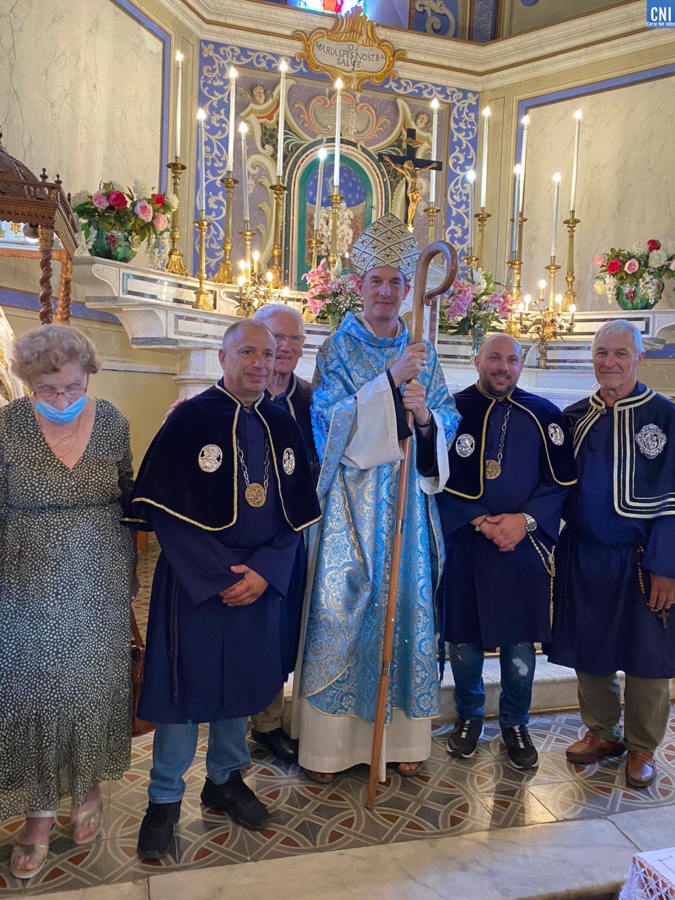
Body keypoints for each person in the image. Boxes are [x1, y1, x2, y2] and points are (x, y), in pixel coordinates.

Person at [125, 320, 320, 859]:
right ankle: (164, 799)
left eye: (269, 353)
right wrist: (218, 577)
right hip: (195, 585)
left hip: (260, 581)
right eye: (248, 352)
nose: (260, 362)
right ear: (223, 356)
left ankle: (226, 781)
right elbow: (167, 514)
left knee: (241, 689)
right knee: (183, 694)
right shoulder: (189, 419)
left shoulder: (283, 423)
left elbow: (295, 515)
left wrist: (266, 570)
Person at [295, 213, 460, 784]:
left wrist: (426, 417)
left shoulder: (425, 351)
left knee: (406, 611)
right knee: (343, 608)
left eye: (396, 282)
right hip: (349, 506)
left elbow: (446, 419)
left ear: (407, 290)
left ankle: (401, 740)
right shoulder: (336, 350)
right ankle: (330, 746)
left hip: (407, 508)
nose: (387, 292)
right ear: (359, 287)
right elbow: (330, 425)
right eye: (377, 282)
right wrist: (389, 380)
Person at [0, 325, 137, 879]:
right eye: (47, 390)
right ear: (27, 382)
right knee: (32, 690)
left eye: (72, 388)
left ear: (88, 377)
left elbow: (130, 495)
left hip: (98, 574)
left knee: (89, 685)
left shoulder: (112, 423)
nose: (61, 400)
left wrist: (129, 572)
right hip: (25, 576)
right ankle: (36, 815)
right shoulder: (7, 426)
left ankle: (87, 789)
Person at [438, 334, 576, 769]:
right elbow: (433, 475)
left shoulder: (544, 414)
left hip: (524, 545)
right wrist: (478, 519)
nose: (503, 366)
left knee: (519, 643)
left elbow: (559, 483)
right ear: (477, 360)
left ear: (521, 363)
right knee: (464, 639)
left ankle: (516, 722)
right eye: (494, 358)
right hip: (466, 541)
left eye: (511, 359)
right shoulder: (450, 410)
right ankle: (469, 716)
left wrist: (524, 522)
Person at [548, 320, 675, 788]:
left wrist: (666, 565)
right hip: (583, 553)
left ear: (638, 358)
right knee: (591, 648)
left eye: (621, 353)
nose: (610, 362)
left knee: (648, 658)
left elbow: (674, 500)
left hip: (643, 559)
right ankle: (603, 732)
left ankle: (642, 745)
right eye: (602, 353)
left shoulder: (665, 417)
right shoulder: (574, 416)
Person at [247, 304, 319, 764]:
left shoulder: (315, 397)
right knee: (262, 628)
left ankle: (288, 716)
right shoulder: (242, 394)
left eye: (295, 340)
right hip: (253, 534)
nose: (286, 348)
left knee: (295, 624)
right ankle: (263, 722)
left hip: (304, 532)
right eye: (277, 338)